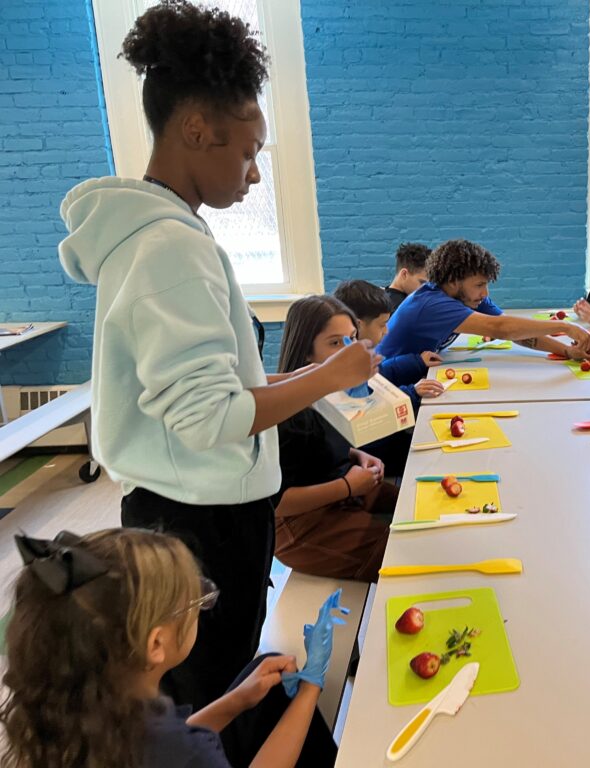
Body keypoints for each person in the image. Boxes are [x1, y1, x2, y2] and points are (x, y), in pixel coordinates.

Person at [57, 0, 377, 718]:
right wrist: (328, 376)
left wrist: (308, 379)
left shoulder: (164, 236)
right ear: (197, 130)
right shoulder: (168, 246)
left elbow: (227, 390)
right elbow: (209, 419)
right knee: (199, 697)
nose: (255, 173)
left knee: (215, 680)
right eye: (248, 150)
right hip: (195, 523)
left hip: (201, 510)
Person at [0, 528, 340, 768]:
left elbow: (174, 742)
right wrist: (311, 687)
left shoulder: (81, 714)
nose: (198, 608)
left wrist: (235, 702)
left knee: (263, 675)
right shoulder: (181, 750)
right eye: (193, 602)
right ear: (156, 643)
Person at [275, 295, 397, 581]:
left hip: (343, 490)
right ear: (306, 352)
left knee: (416, 504)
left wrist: (357, 455)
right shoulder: (288, 416)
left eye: (352, 339)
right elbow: (278, 503)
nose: (348, 352)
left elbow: (323, 448)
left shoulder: (333, 393)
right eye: (334, 343)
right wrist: (346, 486)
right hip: (304, 522)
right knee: (401, 554)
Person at [376, 238, 590, 360]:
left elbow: (516, 333)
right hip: (386, 390)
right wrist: (565, 328)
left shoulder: (469, 298)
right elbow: (503, 328)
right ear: (453, 281)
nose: (485, 293)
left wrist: (566, 351)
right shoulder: (432, 303)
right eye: (479, 285)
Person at [334, 279, 445, 408]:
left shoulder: (359, 353)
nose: (386, 331)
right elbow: (372, 409)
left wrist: (417, 362)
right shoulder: (347, 369)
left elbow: (381, 374)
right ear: (357, 325)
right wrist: (413, 393)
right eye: (382, 325)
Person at [384, 242, 431, 313]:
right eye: (422, 282)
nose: (426, 289)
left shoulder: (384, 299)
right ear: (404, 274)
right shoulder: (400, 308)